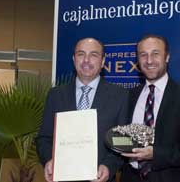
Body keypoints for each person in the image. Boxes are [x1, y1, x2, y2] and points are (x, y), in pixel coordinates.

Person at [36, 38, 129, 182]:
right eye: (81, 54)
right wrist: (48, 160)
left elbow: (122, 141)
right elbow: (44, 138)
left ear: (103, 61)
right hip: (63, 178)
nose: (86, 60)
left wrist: (108, 166)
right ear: (74, 59)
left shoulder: (120, 96)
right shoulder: (55, 95)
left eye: (93, 55)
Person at [120, 34, 180, 182]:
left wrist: (156, 154)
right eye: (143, 55)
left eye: (155, 54)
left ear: (167, 57)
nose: (149, 61)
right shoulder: (129, 95)